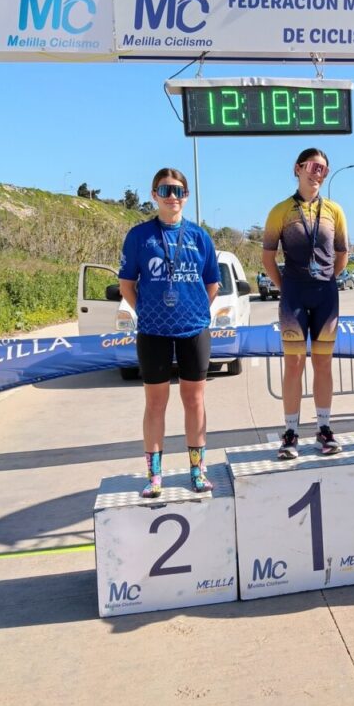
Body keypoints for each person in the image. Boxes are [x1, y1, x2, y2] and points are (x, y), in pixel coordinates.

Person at [119, 168, 220, 497]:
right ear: (154, 195)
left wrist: (194, 309)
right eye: (165, 190)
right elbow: (126, 285)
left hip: (194, 330)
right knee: (156, 403)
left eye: (178, 191)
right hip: (153, 332)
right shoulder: (139, 236)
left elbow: (212, 283)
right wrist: (147, 311)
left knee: (195, 400)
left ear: (186, 197)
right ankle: (155, 476)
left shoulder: (199, 236)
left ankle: (197, 470)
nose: (172, 196)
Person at [262, 148, 349, 459]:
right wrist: (286, 287)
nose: (318, 174)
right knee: (294, 364)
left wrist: (324, 279)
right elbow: (268, 258)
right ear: (298, 168)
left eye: (324, 170)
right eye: (313, 167)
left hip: (326, 294)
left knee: (323, 363)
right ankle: (290, 432)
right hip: (294, 295)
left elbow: (342, 256)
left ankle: (324, 429)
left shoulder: (335, 211)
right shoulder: (280, 211)